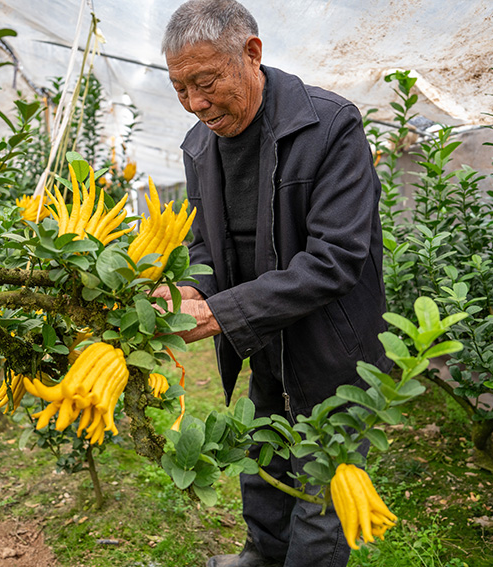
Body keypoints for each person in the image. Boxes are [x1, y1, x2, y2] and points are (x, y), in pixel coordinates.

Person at [157, 1, 390, 566]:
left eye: (206, 82)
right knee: (262, 461)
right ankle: (261, 556)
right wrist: (195, 291)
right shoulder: (198, 145)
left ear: (252, 54)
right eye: (180, 88)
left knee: (321, 496)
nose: (196, 103)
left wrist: (221, 315)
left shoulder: (330, 126)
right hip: (260, 339)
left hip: (334, 353)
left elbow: (336, 257)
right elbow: (204, 247)